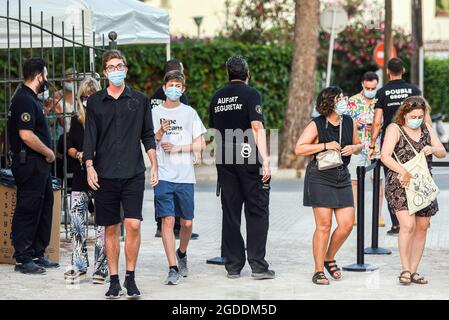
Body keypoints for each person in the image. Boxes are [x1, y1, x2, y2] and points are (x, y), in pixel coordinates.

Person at [83, 49, 159, 299]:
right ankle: (114, 280)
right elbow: (89, 137)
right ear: (105, 72)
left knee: (134, 225)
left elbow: (148, 134)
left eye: (120, 66)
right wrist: (89, 165)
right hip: (104, 174)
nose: (116, 71)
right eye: (111, 67)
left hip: (133, 172)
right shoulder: (94, 102)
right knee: (111, 228)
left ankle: (131, 277)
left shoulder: (139, 100)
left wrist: (154, 164)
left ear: (126, 69)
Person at [209, 55, 275, 280]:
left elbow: (214, 132)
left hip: (225, 159)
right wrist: (265, 160)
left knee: (230, 213)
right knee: (257, 211)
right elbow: (256, 127)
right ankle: (258, 265)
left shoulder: (217, 97)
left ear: (228, 74)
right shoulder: (251, 94)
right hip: (248, 158)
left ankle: (233, 266)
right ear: (247, 74)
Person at [295, 86, 362, 285]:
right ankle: (318, 270)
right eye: (340, 98)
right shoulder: (317, 124)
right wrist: (325, 145)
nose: (343, 101)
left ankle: (329, 257)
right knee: (324, 226)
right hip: (320, 177)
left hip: (342, 176)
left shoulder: (349, 122)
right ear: (330, 102)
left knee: (347, 224)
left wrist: (354, 148)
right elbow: (299, 148)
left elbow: (359, 144)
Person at [380, 96, 446, 285]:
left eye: (420, 115)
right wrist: (403, 171)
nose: (417, 119)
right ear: (404, 114)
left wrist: (432, 149)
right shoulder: (395, 129)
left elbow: (443, 152)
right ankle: (405, 269)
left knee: (422, 227)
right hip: (400, 183)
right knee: (407, 226)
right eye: (413, 115)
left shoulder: (426, 128)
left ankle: (414, 270)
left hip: (423, 185)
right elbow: (385, 156)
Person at [152, 70, 206, 285]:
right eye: (170, 85)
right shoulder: (154, 112)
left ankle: (182, 252)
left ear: (183, 90)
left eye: (178, 85)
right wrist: (159, 132)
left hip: (185, 175)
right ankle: (172, 266)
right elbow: (148, 141)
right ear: (164, 88)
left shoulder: (190, 113)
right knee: (167, 219)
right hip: (163, 174)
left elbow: (201, 143)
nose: (174, 88)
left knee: (187, 222)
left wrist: (178, 148)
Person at [6, 57, 59, 274]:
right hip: (30, 164)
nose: (46, 80)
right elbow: (26, 136)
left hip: (39, 167)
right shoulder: (24, 99)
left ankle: (38, 252)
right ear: (39, 76)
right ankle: (23, 257)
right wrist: (48, 152)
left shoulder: (31, 99)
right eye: (45, 76)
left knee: (44, 207)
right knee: (28, 209)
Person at [369, 57, 431, 236]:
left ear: (388, 71)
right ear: (403, 70)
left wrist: (373, 144)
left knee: (393, 182)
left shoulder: (382, 92)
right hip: (414, 142)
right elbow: (424, 116)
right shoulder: (413, 89)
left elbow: (377, 122)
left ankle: (397, 224)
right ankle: (415, 216)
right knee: (417, 177)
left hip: (391, 143)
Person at [63, 77, 108, 284]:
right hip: (81, 175)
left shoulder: (106, 117)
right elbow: (69, 147)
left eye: (91, 96)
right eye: (84, 96)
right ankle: (79, 265)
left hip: (102, 176)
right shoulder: (76, 119)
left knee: (102, 225)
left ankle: (101, 267)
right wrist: (80, 154)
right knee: (77, 221)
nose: (87, 100)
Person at [150, 59, 199, 241]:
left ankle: (163, 224)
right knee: (170, 209)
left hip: (174, 162)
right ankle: (172, 227)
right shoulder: (177, 98)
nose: (175, 89)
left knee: (179, 214)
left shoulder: (154, 95)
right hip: (166, 159)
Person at [346, 71, 384, 227]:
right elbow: (345, 124)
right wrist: (358, 124)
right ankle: (353, 215)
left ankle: (378, 215)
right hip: (357, 146)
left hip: (375, 146)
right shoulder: (352, 101)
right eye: (368, 87)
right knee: (354, 182)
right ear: (362, 84)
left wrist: (377, 127)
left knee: (378, 180)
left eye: (373, 87)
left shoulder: (380, 100)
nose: (371, 90)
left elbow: (387, 122)